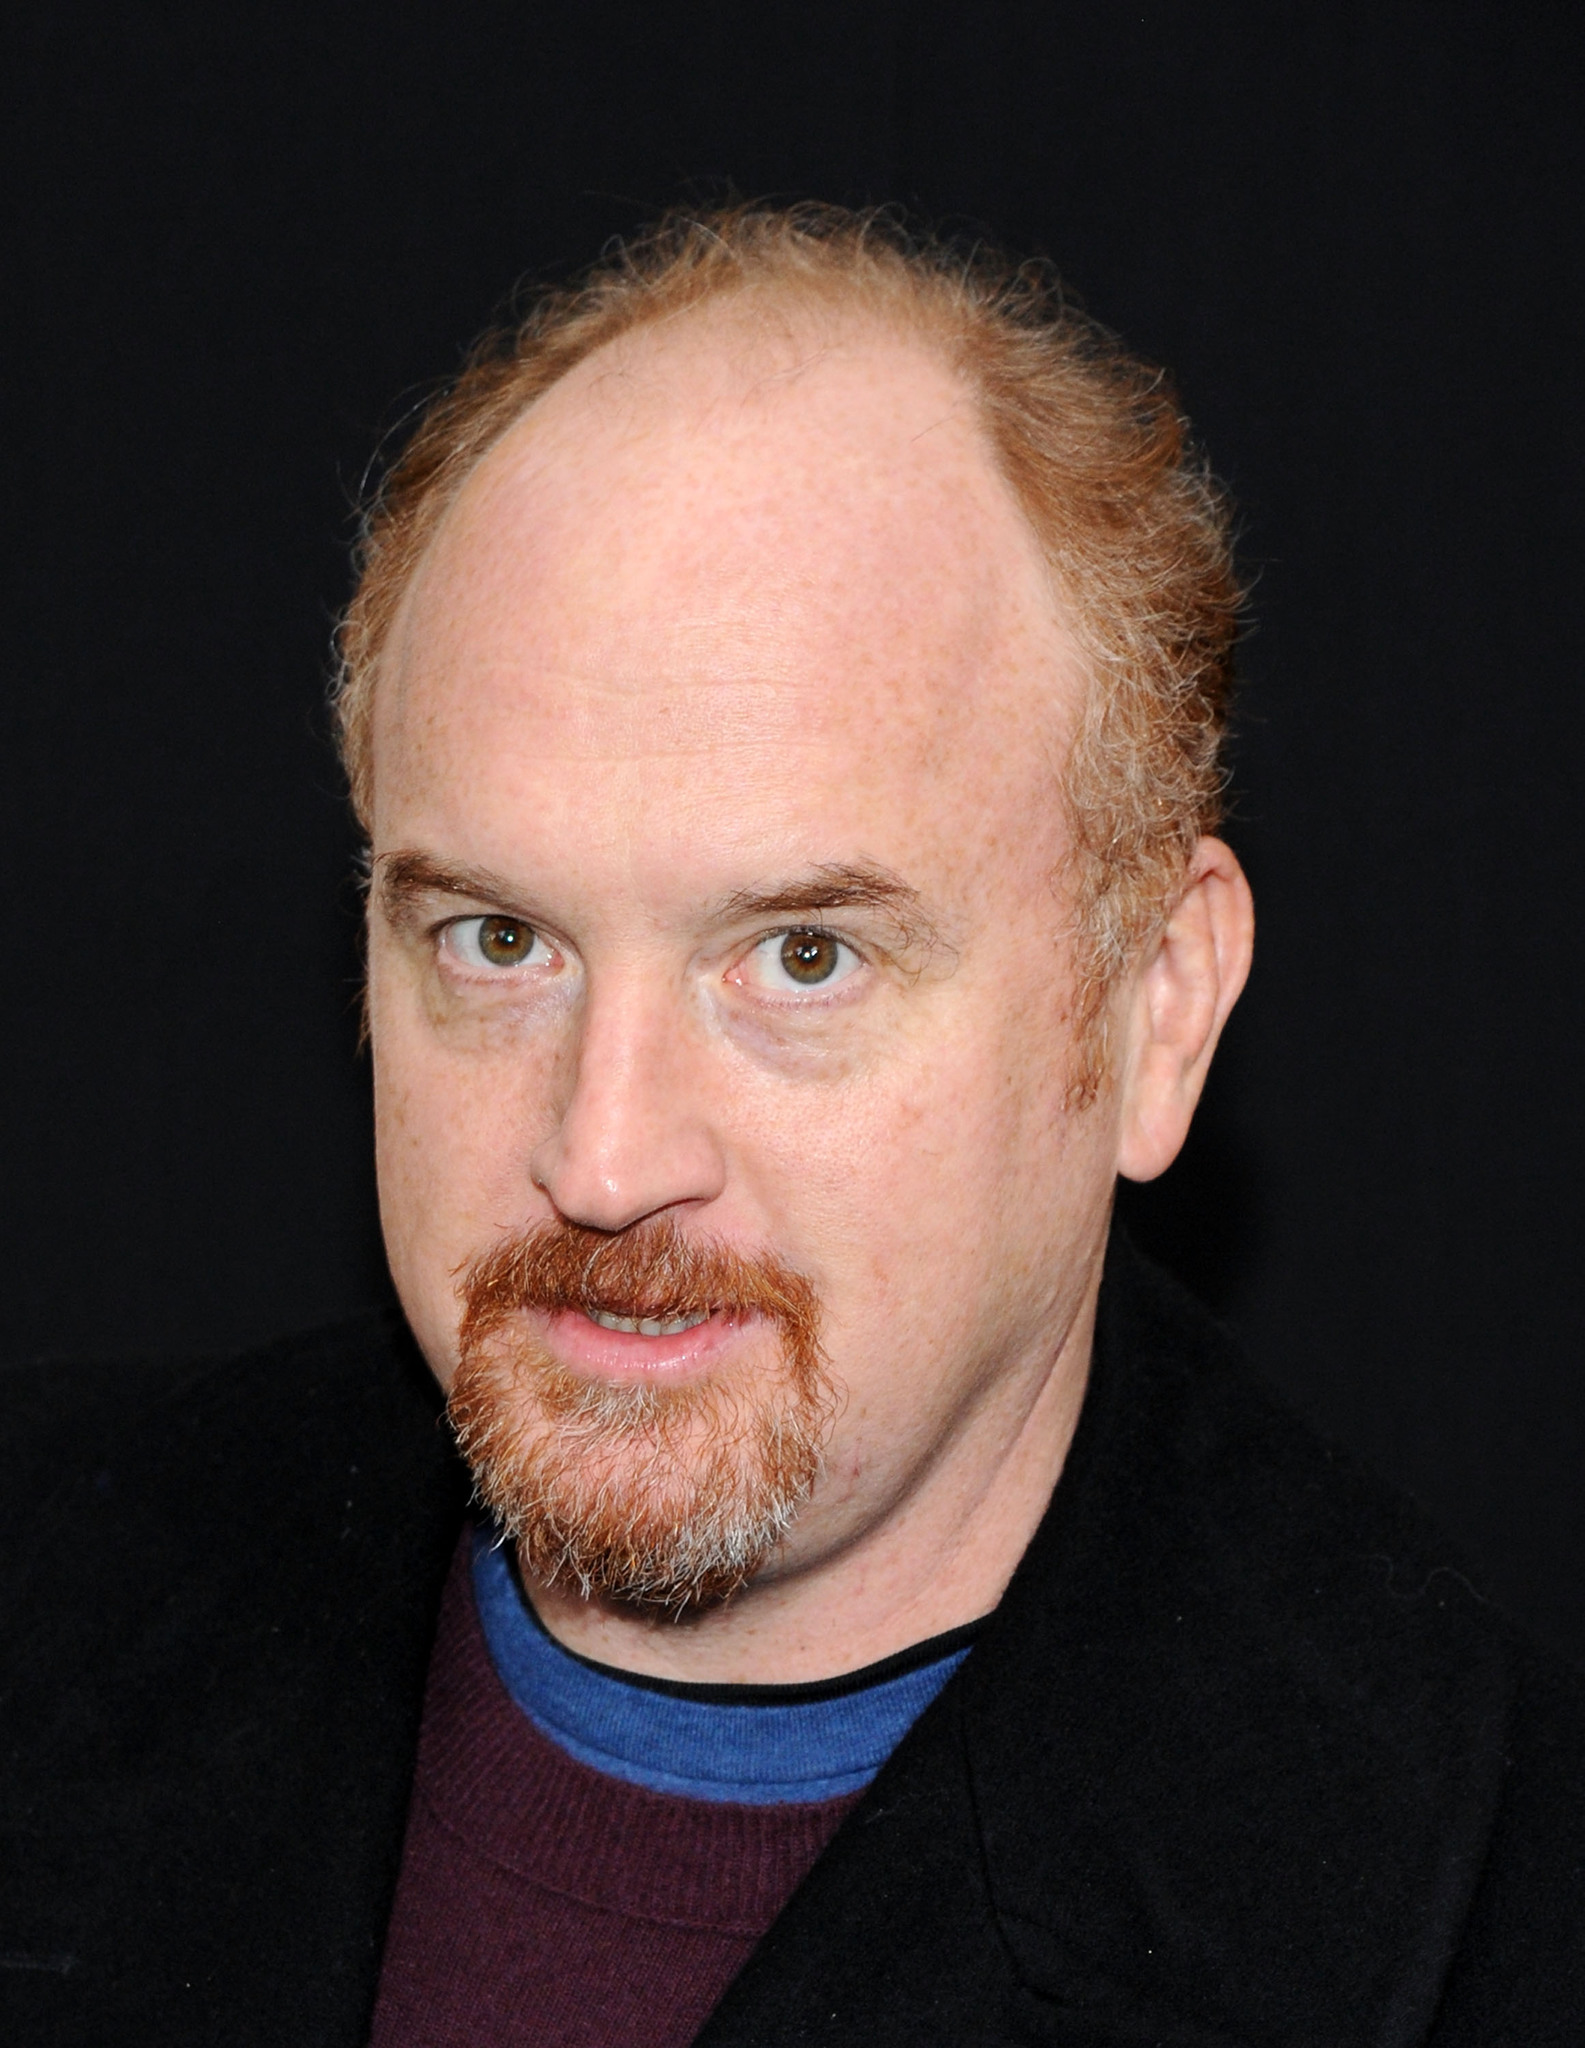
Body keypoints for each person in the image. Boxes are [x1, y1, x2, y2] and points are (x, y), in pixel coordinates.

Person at [2, 206, 1582, 2048]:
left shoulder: (1489, 1929)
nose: (602, 1161)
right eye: (498, 941)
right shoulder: (46, 1594)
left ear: (1155, 1007)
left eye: (802, 957)